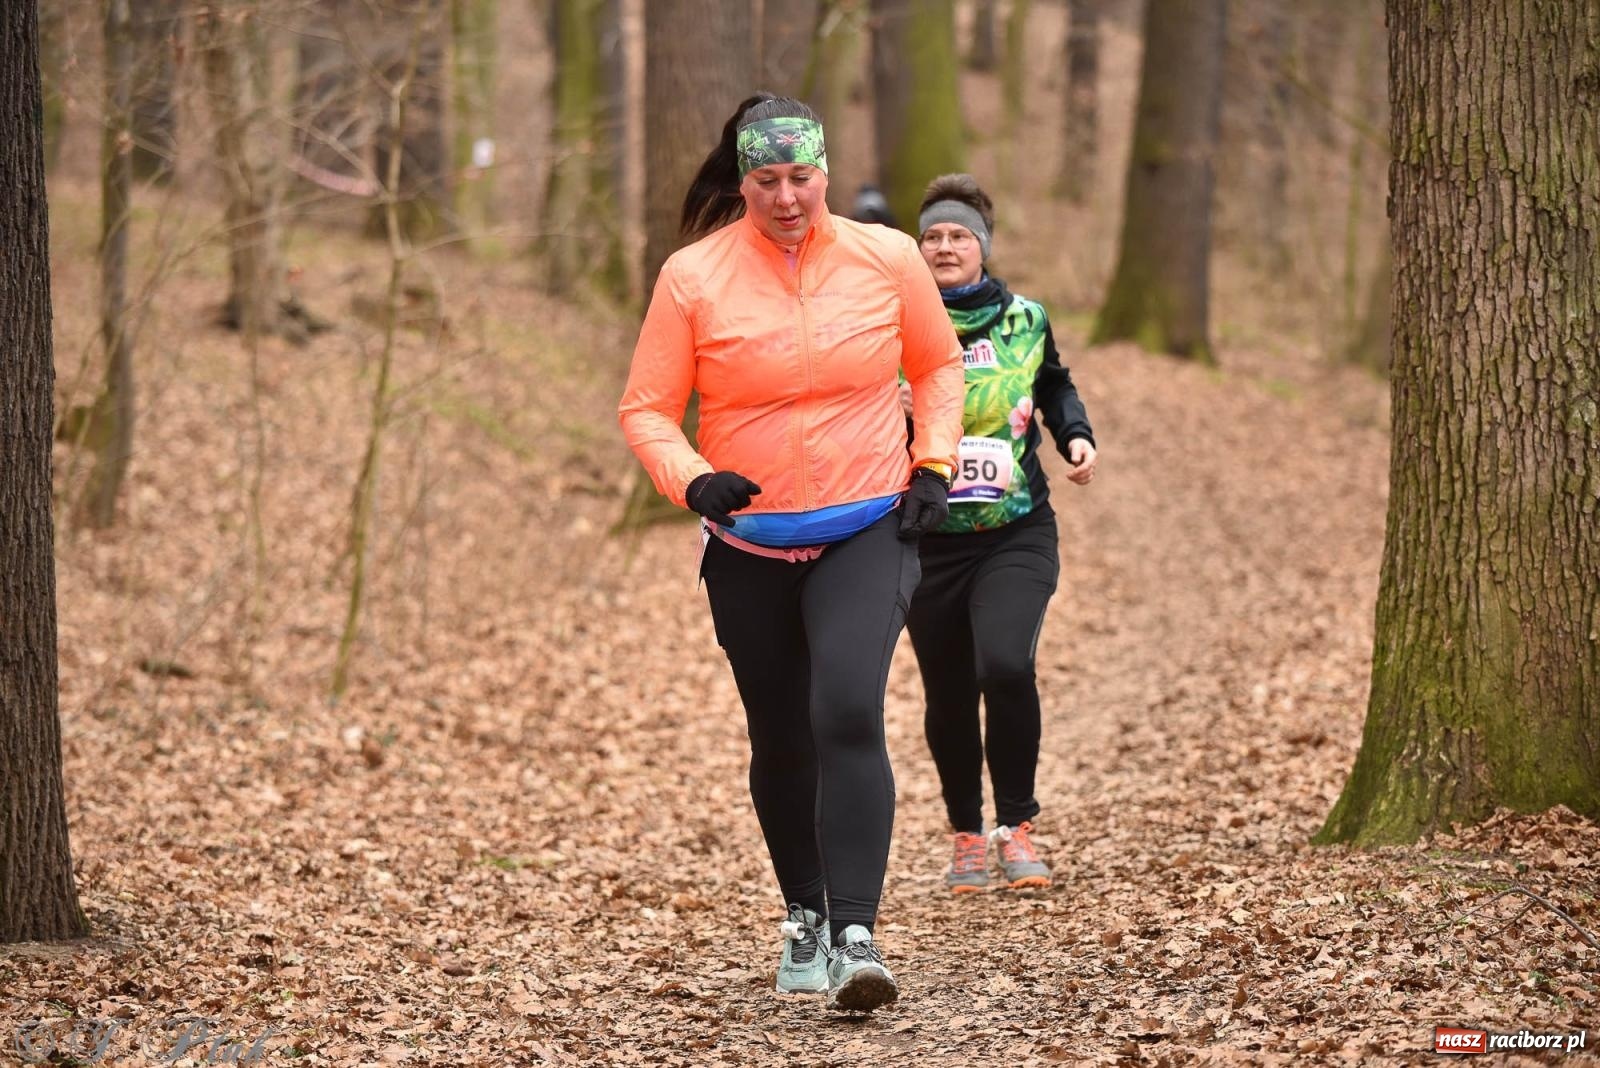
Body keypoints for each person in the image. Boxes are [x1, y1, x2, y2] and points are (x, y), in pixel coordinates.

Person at [618, 94, 964, 1012]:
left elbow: (937, 365)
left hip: (866, 526)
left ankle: (856, 935)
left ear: (825, 172)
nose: (786, 198)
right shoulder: (693, 277)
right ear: (742, 183)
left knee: (845, 709)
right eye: (766, 180)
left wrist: (932, 463)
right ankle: (804, 913)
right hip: (751, 543)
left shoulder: (887, 257)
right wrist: (693, 479)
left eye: (801, 177)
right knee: (779, 733)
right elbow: (647, 410)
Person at [903, 173, 1097, 894]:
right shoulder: (892, 324)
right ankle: (965, 833)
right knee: (948, 690)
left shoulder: (1026, 319)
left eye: (959, 235)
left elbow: (1054, 384)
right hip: (926, 537)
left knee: (1006, 666)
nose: (945, 247)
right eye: (932, 236)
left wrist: (1075, 434)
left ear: (982, 246)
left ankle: (1016, 826)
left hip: (1015, 529)